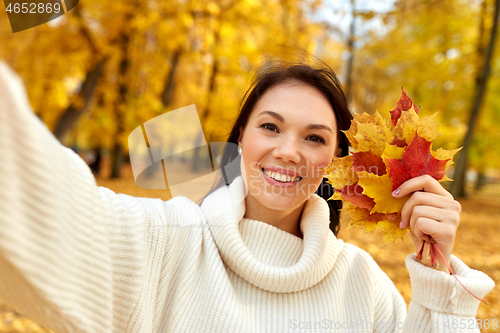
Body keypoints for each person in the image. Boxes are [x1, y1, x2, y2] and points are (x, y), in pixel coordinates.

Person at [0, 59, 494, 333]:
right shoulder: (165, 242)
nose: (288, 151)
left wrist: (437, 282)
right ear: (242, 140)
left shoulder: (361, 285)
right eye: (270, 127)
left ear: (335, 160)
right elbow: (48, 198)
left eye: (315, 137)